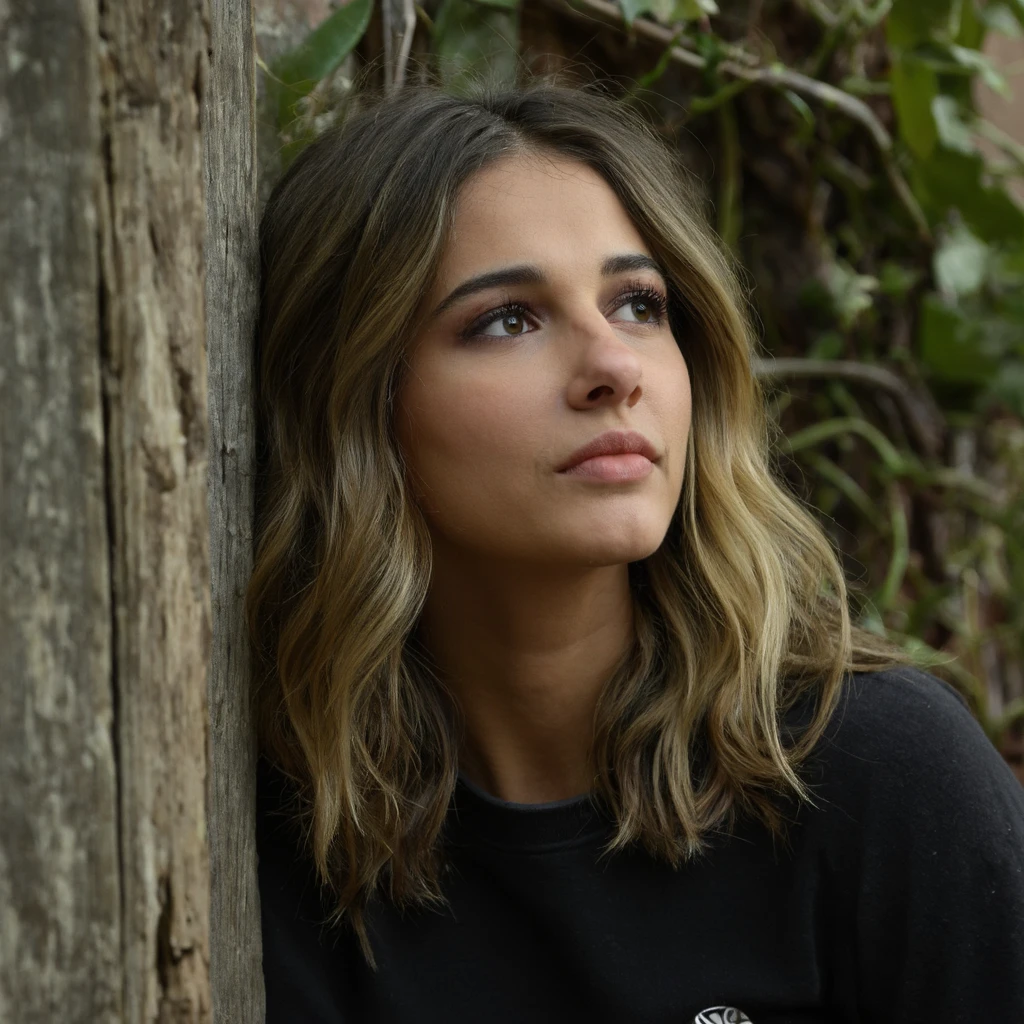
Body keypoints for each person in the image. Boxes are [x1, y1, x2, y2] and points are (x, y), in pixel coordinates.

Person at [247, 79, 1024, 1024]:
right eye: (507, 320)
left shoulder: (880, 781)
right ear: (358, 404)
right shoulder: (280, 843)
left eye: (638, 304)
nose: (614, 367)